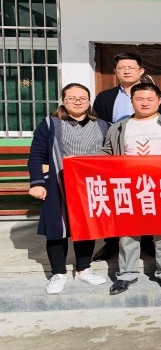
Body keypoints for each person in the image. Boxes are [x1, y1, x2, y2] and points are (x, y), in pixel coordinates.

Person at [102, 83, 161, 295]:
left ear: (159, 101)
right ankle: (127, 274)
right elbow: (106, 153)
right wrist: (81, 161)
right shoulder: (119, 127)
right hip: (129, 186)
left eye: (150, 99)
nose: (145, 103)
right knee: (128, 233)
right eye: (139, 99)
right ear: (132, 101)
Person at [28, 83, 109, 294]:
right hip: (57, 183)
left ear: (89, 101)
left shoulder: (102, 125)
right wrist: (37, 183)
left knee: (86, 227)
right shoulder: (50, 124)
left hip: (89, 185)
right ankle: (58, 273)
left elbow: (110, 154)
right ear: (63, 101)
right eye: (71, 98)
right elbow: (36, 155)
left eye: (82, 98)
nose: (77, 101)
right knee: (57, 229)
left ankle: (83, 269)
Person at [92, 52, 161, 261]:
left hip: (148, 158)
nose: (126, 71)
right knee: (117, 201)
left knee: (147, 199)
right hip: (117, 157)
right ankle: (111, 243)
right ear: (115, 71)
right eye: (121, 68)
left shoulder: (153, 94)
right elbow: (99, 127)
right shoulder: (105, 97)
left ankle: (147, 240)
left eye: (131, 67)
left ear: (141, 71)